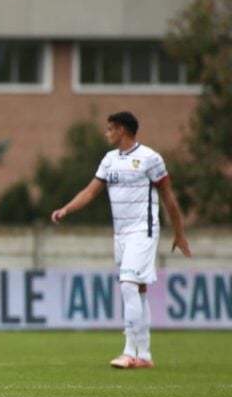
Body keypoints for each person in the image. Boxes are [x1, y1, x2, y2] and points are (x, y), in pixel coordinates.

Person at [51, 111, 191, 368]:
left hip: (143, 231)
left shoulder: (150, 158)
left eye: (110, 129)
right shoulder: (109, 160)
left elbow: (168, 197)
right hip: (121, 234)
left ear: (122, 130)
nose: (107, 133)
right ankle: (145, 356)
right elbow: (91, 192)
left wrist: (179, 232)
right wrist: (66, 209)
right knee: (138, 290)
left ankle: (128, 352)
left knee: (127, 284)